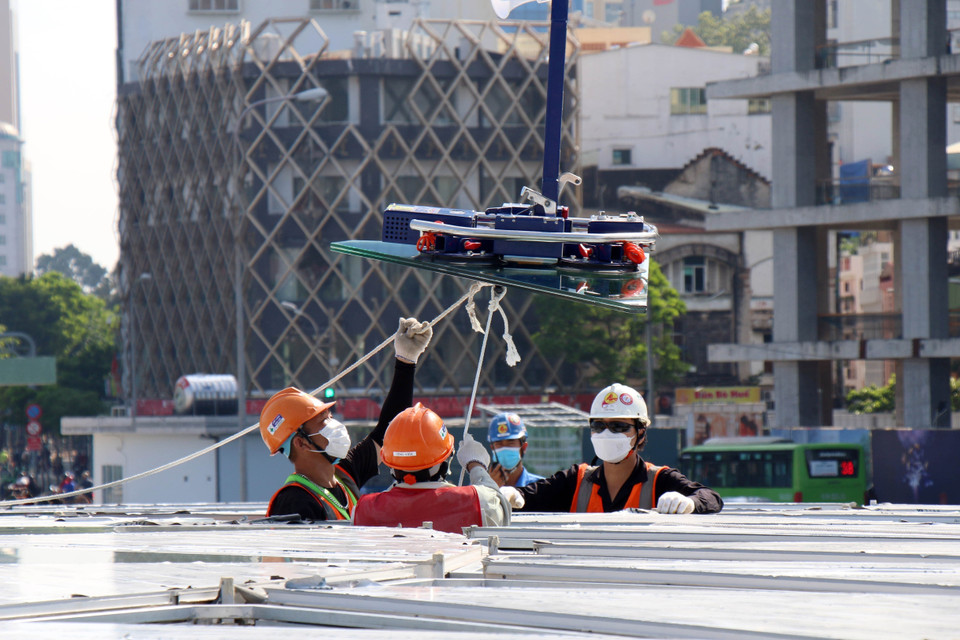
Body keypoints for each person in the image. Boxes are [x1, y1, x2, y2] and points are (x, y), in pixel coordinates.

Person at [259, 317, 433, 521]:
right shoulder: (293, 501)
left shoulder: (344, 476)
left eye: (330, 417)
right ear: (301, 443)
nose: (334, 425)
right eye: (323, 421)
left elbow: (389, 431)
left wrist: (406, 361)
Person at [504, 383, 723, 515]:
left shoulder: (660, 480)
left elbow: (711, 498)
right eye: (599, 426)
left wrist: (690, 503)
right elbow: (530, 496)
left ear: (641, 433)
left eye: (619, 426)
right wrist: (512, 494)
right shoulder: (575, 480)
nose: (607, 433)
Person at [353, 403, 519, 533]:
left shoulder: (363, 509)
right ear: (445, 460)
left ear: (390, 462)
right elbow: (500, 511)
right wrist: (476, 465)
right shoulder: (474, 501)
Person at [486, 412, 543, 487]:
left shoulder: (541, 487)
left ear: (523, 447)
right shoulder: (477, 490)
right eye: (499, 444)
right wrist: (490, 489)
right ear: (492, 448)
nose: (505, 448)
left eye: (510, 442)